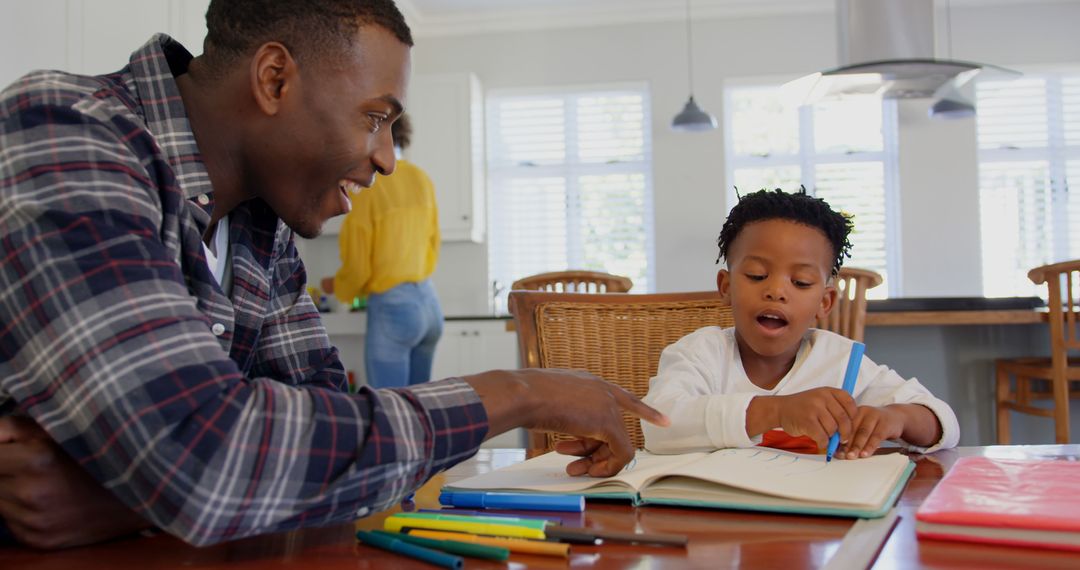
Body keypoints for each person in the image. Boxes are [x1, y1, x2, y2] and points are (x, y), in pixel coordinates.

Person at [0, 0, 668, 550]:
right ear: (274, 80)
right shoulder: (65, 133)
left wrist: (124, 493)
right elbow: (212, 462)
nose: (386, 159)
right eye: (375, 117)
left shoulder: (262, 226)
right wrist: (518, 391)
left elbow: (331, 434)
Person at [641, 189, 959, 458]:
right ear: (726, 286)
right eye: (756, 276)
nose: (776, 291)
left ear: (825, 302)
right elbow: (659, 425)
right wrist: (778, 411)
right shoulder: (700, 354)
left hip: (818, 522)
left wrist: (897, 418)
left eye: (802, 282)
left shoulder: (840, 360)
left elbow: (944, 422)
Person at [320, 113, 443, 389]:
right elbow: (434, 242)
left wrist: (337, 286)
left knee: (389, 412)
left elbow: (359, 267)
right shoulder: (421, 178)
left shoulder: (370, 185)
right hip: (430, 305)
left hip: (395, 309)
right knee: (420, 408)